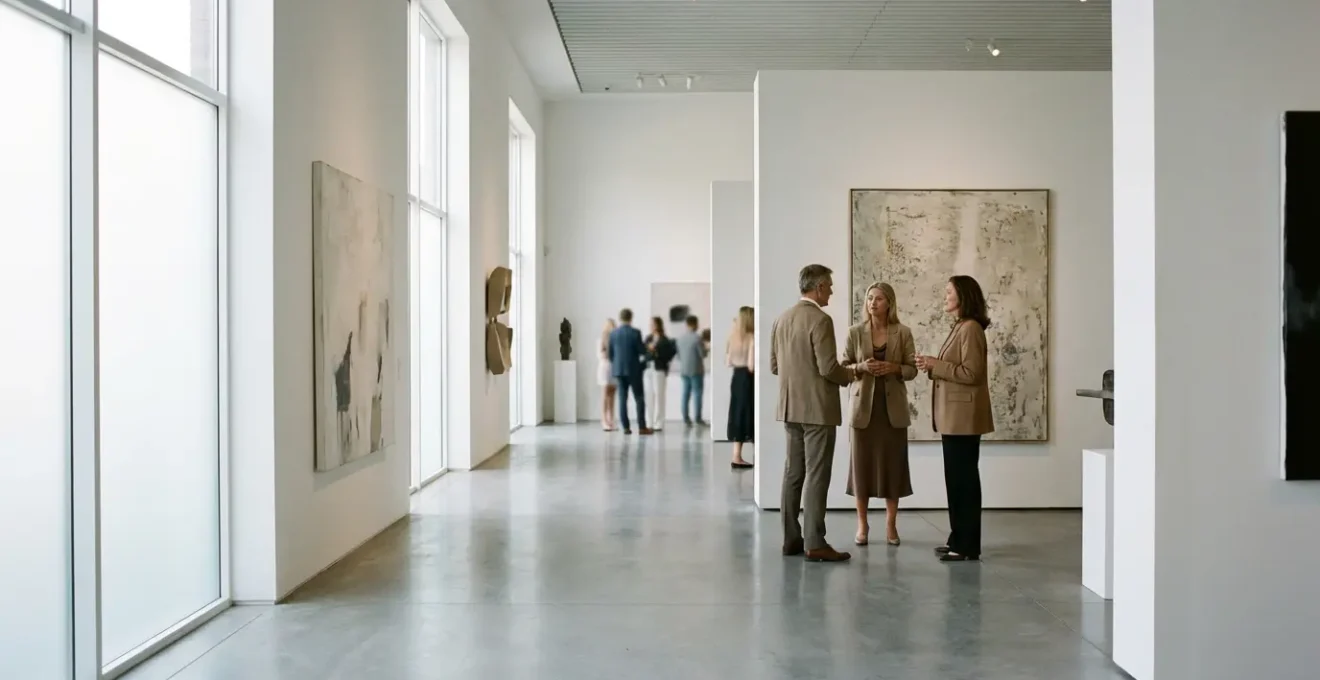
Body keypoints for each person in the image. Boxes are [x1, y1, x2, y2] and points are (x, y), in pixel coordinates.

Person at [771, 264, 854, 563]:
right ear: (818, 287)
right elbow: (828, 368)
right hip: (818, 410)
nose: (831, 290)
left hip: (789, 407)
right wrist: (852, 374)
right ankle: (815, 543)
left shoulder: (781, 319)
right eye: (829, 285)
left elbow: (775, 366)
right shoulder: (820, 320)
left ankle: (791, 539)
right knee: (817, 475)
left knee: (793, 474)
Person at [916, 275, 994, 563]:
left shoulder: (971, 328)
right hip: (955, 418)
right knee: (957, 481)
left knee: (964, 482)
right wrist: (932, 366)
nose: (945, 296)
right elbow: (956, 368)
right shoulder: (961, 326)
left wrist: (935, 365)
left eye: (949, 291)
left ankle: (966, 545)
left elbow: (972, 373)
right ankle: (958, 538)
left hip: (963, 419)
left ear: (963, 295)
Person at [841, 282, 916, 547]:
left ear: (889, 303)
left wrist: (894, 368)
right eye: (870, 298)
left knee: (893, 468)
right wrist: (861, 367)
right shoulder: (854, 332)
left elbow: (912, 369)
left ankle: (891, 524)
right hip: (863, 410)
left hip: (892, 411)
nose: (873, 303)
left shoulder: (903, 332)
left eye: (879, 299)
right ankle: (862, 524)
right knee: (861, 469)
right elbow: (843, 368)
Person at [608, 308, 653, 435]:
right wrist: (648, 351)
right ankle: (642, 427)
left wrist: (617, 364)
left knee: (622, 399)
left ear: (620, 318)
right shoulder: (635, 333)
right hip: (634, 370)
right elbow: (641, 351)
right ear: (631, 318)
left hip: (619, 370)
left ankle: (626, 427)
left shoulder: (613, 333)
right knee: (639, 398)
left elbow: (610, 354)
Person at [725, 306, 756, 468]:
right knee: (751, 413)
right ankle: (757, 454)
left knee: (737, 413)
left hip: (736, 377)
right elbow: (751, 365)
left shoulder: (732, 337)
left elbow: (728, 362)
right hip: (748, 379)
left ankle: (736, 456)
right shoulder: (752, 338)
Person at [645, 317, 678, 432]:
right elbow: (644, 353)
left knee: (659, 396)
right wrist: (651, 351)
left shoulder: (664, 340)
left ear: (658, 325)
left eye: (653, 324)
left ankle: (658, 422)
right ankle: (649, 422)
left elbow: (668, 355)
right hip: (648, 369)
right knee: (649, 396)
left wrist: (656, 352)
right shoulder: (648, 338)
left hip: (659, 369)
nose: (651, 326)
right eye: (650, 324)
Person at [675, 315, 707, 426]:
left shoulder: (680, 339)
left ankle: (686, 418)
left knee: (685, 395)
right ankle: (698, 419)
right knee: (697, 394)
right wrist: (706, 348)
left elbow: (679, 356)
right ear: (695, 324)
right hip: (696, 370)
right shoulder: (697, 338)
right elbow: (702, 354)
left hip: (684, 370)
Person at [597, 319, 617, 431]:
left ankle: (611, 419)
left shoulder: (616, 339)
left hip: (614, 368)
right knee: (605, 394)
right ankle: (604, 420)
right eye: (610, 326)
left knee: (612, 394)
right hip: (605, 368)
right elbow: (602, 355)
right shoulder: (602, 340)